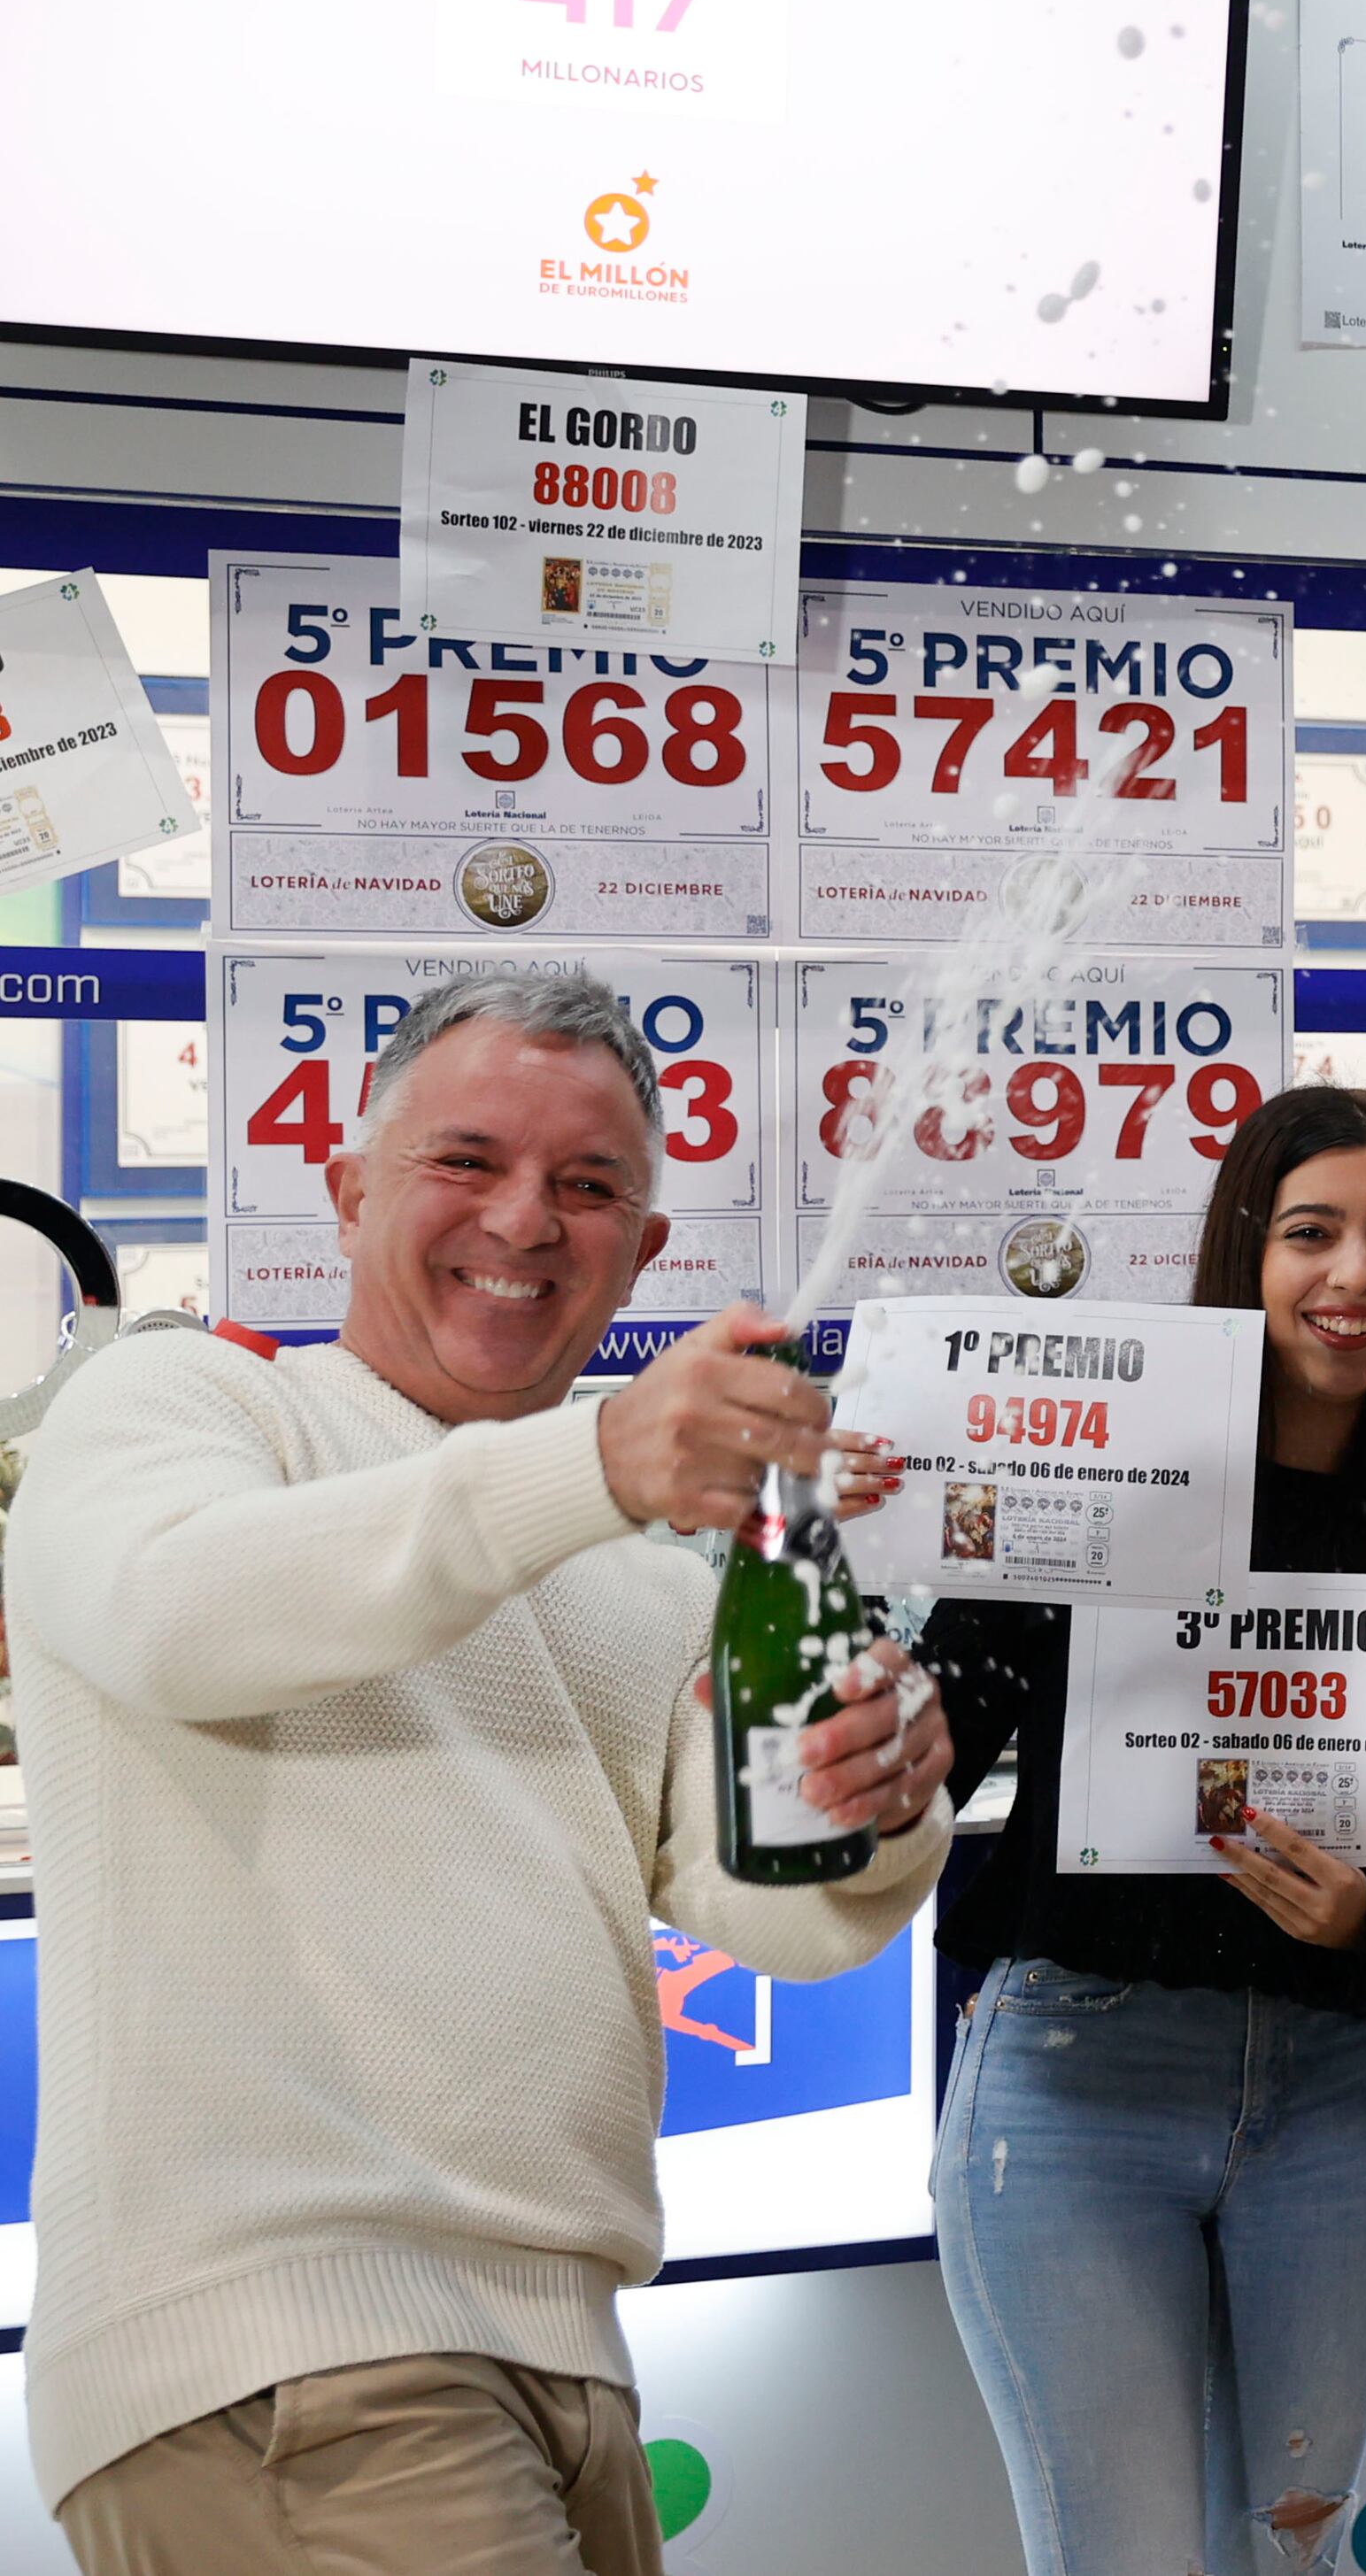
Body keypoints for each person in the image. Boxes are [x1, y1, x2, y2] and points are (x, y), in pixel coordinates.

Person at [5, 967, 953, 2576]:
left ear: (644, 1252)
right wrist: (588, 1462)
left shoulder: (652, 1555)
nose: (525, 1220)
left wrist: (877, 1808)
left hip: (561, 2355)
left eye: (589, 1186)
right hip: (282, 2355)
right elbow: (174, 1615)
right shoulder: (185, 1403)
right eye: (467, 1160)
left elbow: (769, 1910)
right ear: (347, 1182)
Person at [912, 1084, 1366, 2576]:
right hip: (1078, 2086)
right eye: (1313, 1232)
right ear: (1245, 1252)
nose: (1356, 1275)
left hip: (1342, 2105)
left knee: (1288, 2559)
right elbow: (937, 1731)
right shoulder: (1093, 1493)